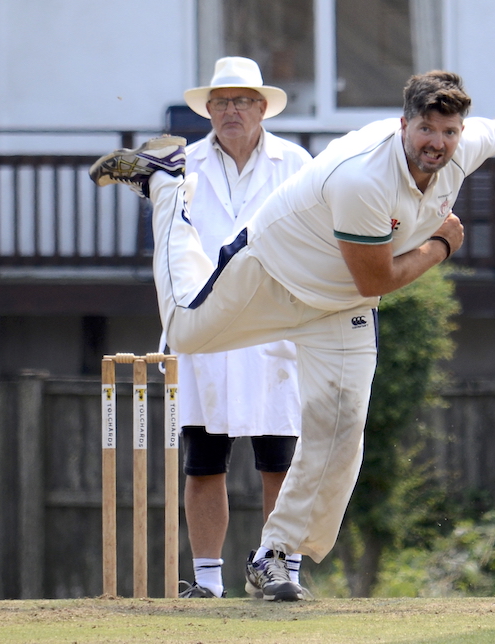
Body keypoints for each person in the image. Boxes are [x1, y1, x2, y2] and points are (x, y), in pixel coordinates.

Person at [91, 64, 495, 602]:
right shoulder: (364, 179)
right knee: (186, 332)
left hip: (340, 303)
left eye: (449, 132)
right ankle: (165, 183)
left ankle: (276, 555)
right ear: (404, 125)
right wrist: (441, 246)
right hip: (273, 274)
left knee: (341, 429)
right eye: (427, 129)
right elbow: (379, 277)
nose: (438, 142)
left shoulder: (461, 146)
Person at [166, 57, 311, 598]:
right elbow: (168, 247)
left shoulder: (295, 163)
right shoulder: (180, 167)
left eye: (243, 100)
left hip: (274, 323)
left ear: (261, 107)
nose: (232, 110)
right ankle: (208, 582)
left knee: (280, 459)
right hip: (205, 325)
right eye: (222, 101)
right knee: (204, 461)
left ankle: (282, 571)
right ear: (207, 109)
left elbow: (316, 238)